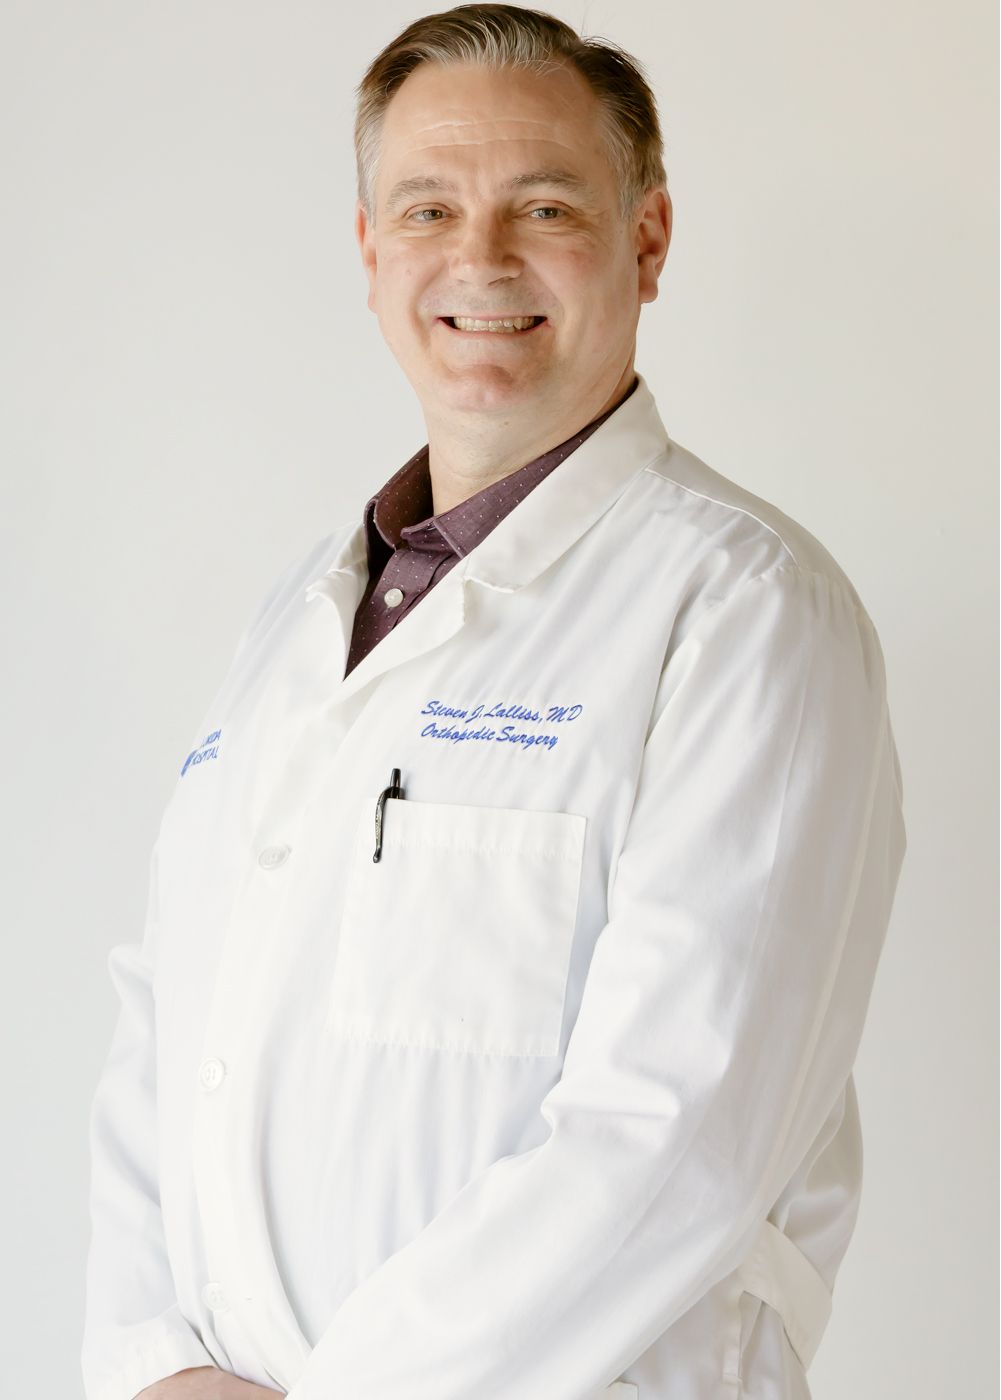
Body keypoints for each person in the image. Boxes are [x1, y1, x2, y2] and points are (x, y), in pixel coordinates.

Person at [81, 6, 908, 1400]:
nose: (478, 258)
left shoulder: (745, 610)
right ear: (368, 252)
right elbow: (168, 1028)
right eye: (426, 209)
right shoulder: (295, 623)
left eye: (543, 205)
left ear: (646, 241)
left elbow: (675, 1137)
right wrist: (155, 1363)